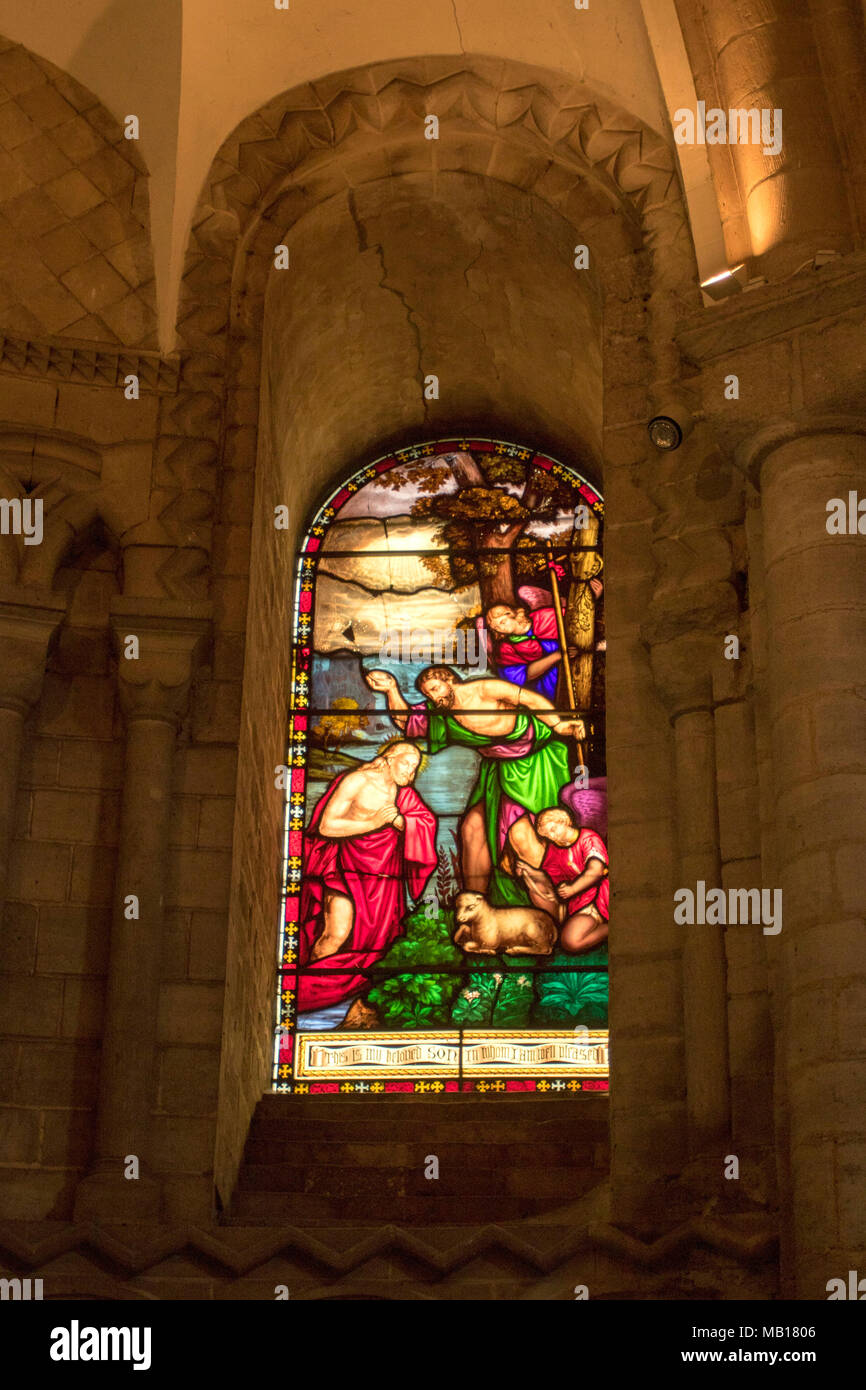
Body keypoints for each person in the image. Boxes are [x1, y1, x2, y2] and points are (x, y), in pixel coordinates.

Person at [365, 666, 584, 905]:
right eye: (429, 695)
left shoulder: (484, 689)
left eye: (436, 689)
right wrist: (391, 689)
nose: (435, 698)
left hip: (535, 765)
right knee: (472, 828)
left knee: (523, 835)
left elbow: (530, 699)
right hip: (499, 771)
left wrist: (558, 725)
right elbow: (407, 721)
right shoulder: (442, 714)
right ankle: (477, 908)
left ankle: (555, 908)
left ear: (449, 679)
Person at [297, 742, 437, 1025]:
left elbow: (424, 822)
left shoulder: (405, 794)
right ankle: (307, 993)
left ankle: (341, 1006)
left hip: (384, 877)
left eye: (414, 767)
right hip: (345, 869)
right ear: (388, 758)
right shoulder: (356, 780)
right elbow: (327, 826)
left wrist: (400, 821)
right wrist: (373, 823)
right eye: (406, 764)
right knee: (336, 933)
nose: (411, 772)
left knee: (376, 944)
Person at [507, 804, 609, 953]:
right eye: (547, 836)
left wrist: (573, 889)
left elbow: (596, 870)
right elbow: (549, 878)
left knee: (572, 941)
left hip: (602, 896)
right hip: (581, 903)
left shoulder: (587, 837)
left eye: (553, 830)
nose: (552, 837)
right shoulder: (555, 850)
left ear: (564, 821)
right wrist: (530, 871)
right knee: (570, 941)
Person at [486, 601, 564, 700]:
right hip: (547, 688)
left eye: (502, 622)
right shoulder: (506, 648)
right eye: (496, 627)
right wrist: (557, 656)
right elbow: (522, 676)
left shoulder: (545, 616)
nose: (501, 628)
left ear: (512, 614)